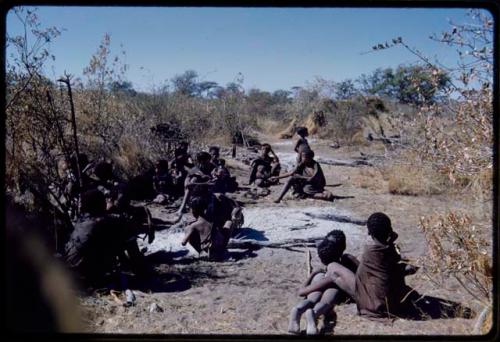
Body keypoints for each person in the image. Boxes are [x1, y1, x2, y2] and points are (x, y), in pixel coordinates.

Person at [297, 213, 419, 322]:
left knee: (333, 268)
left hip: (371, 303)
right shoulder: (391, 250)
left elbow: (362, 272)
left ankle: (314, 299)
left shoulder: (370, 252)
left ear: (369, 232)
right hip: (392, 302)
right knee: (348, 259)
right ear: (389, 230)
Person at [64, 189, 146, 285]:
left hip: (70, 271)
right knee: (126, 232)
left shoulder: (82, 220)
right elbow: (119, 230)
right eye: (104, 201)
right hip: (87, 276)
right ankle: (141, 271)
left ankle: (127, 264)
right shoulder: (106, 222)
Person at [288, 230, 358, 335]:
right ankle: (314, 313)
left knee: (312, 299)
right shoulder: (344, 263)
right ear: (342, 248)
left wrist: (312, 274)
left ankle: (298, 309)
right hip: (334, 283)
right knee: (326, 302)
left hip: (320, 278)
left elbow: (302, 292)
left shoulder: (319, 274)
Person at [181, 196, 227, 261]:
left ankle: (201, 252)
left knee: (187, 228)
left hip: (208, 254)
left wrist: (188, 227)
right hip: (219, 250)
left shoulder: (194, 225)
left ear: (193, 210)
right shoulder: (212, 220)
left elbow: (183, 243)